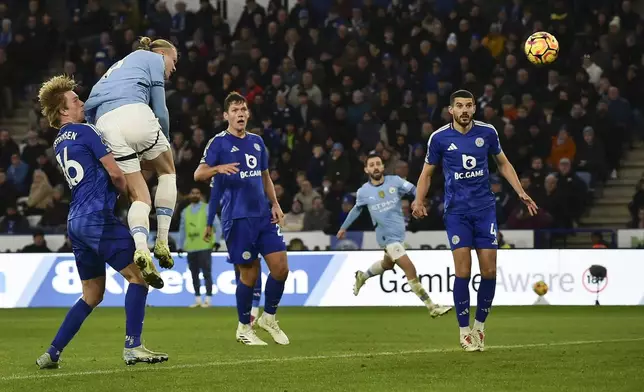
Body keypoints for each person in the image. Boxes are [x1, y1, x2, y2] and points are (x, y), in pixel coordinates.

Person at [36, 75, 167, 368]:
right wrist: (126, 192)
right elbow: (116, 174)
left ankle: (52, 352)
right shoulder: (85, 131)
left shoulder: (59, 142)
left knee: (92, 294)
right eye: (74, 100)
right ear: (64, 112)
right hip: (97, 218)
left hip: (76, 222)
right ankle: (133, 346)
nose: (81, 102)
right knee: (139, 277)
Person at [412, 90, 537, 352]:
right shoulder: (439, 138)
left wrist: (520, 191)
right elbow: (426, 174)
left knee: (489, 271)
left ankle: (479, 327)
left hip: (484, 209)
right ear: (451, 110)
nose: (464, 110)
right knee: (463, 271)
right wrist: (418, 200)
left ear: (475, 108)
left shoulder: (488, 133)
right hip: (457, 212)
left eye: (468, 105)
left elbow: (503, 163)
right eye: (459, 106)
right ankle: (464, 331)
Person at [194, 92, 290, 346]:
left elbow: (265, 176)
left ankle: (268, 317)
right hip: (237, 218)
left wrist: (276, 204)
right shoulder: (218, 143)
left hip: (263, 216)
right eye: (235, 110)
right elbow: (198, 174)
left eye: (244, 110)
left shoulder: (257, 142)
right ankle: (243, 328)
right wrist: (217, 169)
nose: (240, 114)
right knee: (249, 275)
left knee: (281, 268)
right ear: (226, 115)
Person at [83, 36, 179, 288]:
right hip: (134, 112)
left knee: (139, 197)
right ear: (162, 53)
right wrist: (164, 141)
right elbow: (160, 110)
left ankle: (141, 249)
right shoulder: (153, 58)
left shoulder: (113, 71)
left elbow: (88, 112)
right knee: (168, 171)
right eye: (174, 60)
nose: (174, 67)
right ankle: (161, 241)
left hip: (105, 125)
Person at [336, 154, 452, 318]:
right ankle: (432, 306)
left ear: (383, 167)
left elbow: (413, 188)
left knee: (387, 264)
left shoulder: (395, 181)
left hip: (398, 236)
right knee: (410, 269)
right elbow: (356, 210)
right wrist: (343, 228)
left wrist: (417, 200)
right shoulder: (364, 192)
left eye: (378, 164)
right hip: (387, 238)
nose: (375, 167)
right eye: (372, 165)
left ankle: (363, 276)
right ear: (366, 169)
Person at [178, 187, 219, 308]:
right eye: (193, 193)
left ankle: (208, 299)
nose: (195, 195)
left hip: (204, 245)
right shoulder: (185, 211)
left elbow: (217, 224)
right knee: (194, 274)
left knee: (206, 273)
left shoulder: (207, 208)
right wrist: (180, 246)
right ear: (189, 195)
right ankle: (197, 299)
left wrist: (216, 241)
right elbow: (182, 229)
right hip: (191, 247)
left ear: (200, 195)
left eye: (197, 193)